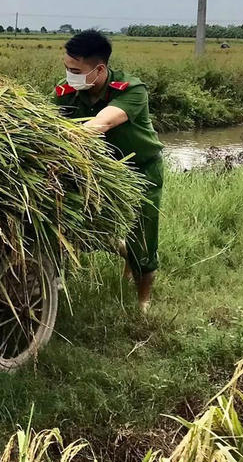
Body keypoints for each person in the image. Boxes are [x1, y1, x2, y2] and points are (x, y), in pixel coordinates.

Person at [53, 29, 163, 309]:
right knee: (81, 223)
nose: (69, 75)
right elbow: (44, 118)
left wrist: (66, 136)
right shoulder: (66, 92)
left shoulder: (131, 90)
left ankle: (143, 301)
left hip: (139, 169)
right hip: (95, 170)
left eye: (76, 70)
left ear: (99, 69)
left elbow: (102, 122)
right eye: (67, 68)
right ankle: (121, 252)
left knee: (142, 231)